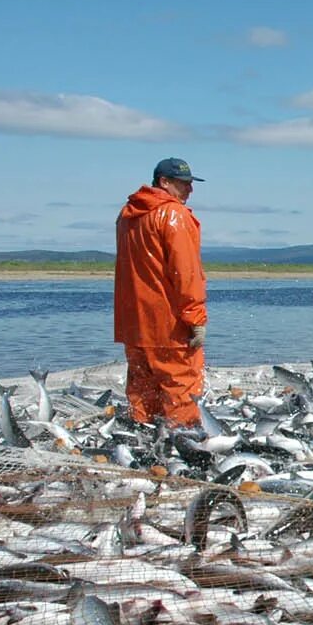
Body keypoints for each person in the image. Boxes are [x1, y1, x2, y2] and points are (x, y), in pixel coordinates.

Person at [114, 157, 208, 427]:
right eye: (183, 184)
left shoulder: (127, 215)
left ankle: (145, 442)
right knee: (181, 386)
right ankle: (183, 445)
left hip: (134, 324)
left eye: (191, 184)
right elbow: (185, 272)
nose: (190, 190)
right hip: (168, 324)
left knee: (143, 388)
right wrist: (195, 318)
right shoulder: (173, 214)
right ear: (164, 182)